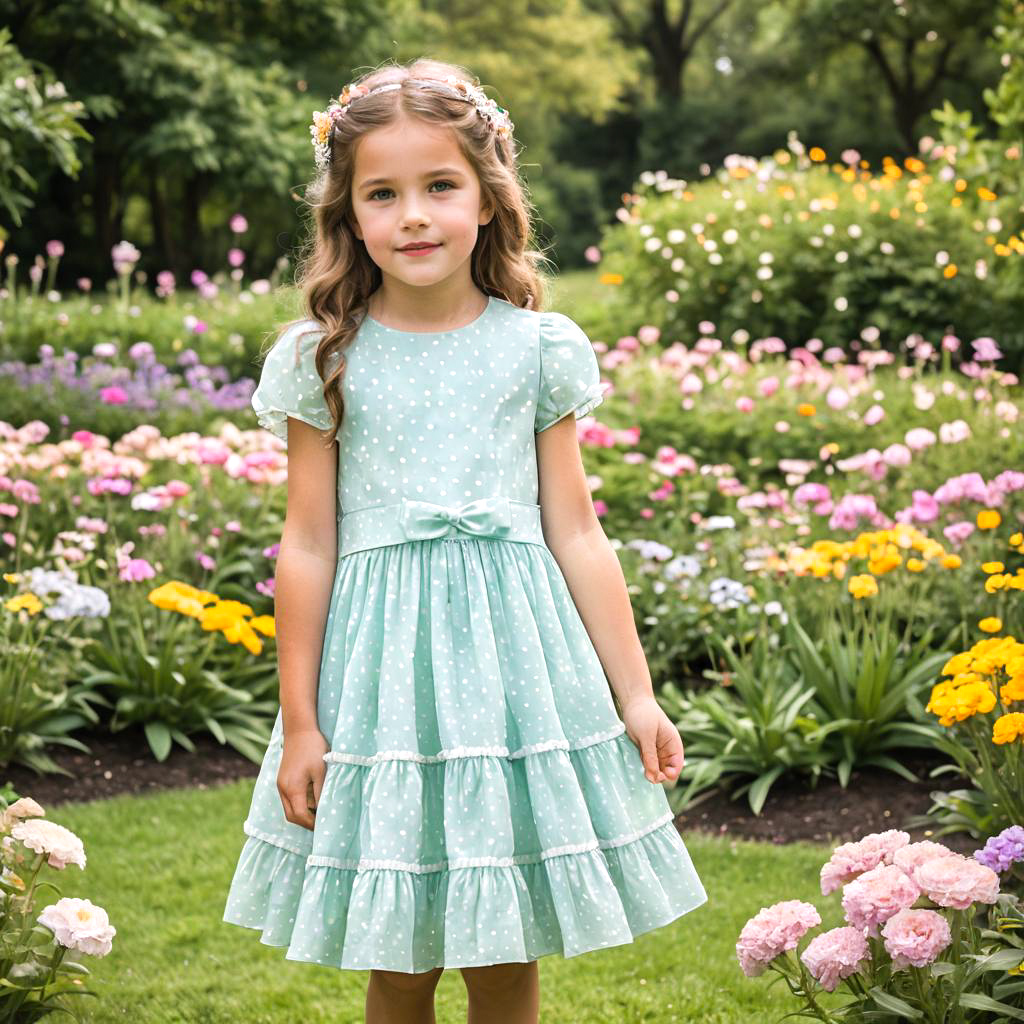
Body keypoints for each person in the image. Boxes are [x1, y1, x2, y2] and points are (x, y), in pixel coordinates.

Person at [222, 55, 708, 1024]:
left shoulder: (536, 347)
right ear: (348, 213)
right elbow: (308, 543)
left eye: (439, 186)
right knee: (398, 950)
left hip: (514, 674)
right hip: (379, 681)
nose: (413, 214)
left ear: (486, 199)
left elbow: (576, 530)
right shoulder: (322, 355)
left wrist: (638, 694)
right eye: (382, 192)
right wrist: (302, 721)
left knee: (504, 946)